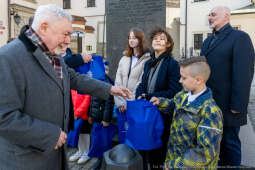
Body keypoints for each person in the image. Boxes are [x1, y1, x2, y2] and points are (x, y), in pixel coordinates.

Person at [0, 4, 131, 170]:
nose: (69, 41)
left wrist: (110, 89)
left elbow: (73, 77)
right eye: (66, 34)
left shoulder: (53, 54)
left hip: (53, 156)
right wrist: (50, 135)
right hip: (26, 160)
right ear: (44, 27)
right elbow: (4, 117)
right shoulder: (7, 58)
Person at [201, 6, 255, 168]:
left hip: (229, 105)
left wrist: (238, 105)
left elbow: (244, 74)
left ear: (227, 16)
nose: (210, 17)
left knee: (230, 143)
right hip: (209, 104)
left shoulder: (240, 37)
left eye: (213, 14)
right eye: (209, 15)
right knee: (213, 144)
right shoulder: (207, 41)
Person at [151, 56, 223, 169]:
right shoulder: (183, 95)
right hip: (173, 159)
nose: (180, 80)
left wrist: (174, 165)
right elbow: (174, 105)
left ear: (198, 80)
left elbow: (205, 153)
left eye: (184, 78)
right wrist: (160, 102)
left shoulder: (210, 111)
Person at [135, 27, 182, 170]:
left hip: (162, 115)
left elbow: (174, 91)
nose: (158, 40)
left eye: (162, 39)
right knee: (144, 148)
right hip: (146, 112)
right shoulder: (148, 63)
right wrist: (139, 93)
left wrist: (149, 96)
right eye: (155, 38)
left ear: (168, 44)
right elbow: (142, 84)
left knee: (158, 152)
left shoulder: (172, 64)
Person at [114, 27, 150, 113]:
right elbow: (117, 81)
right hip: (121, 106)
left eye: (134, 38)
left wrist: (129, 103)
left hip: (135, 103)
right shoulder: (124, 58)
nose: (131, 40)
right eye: (129, 38)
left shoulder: (146, 59)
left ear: (140, 40)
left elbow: (141, 82)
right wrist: (120, 103)